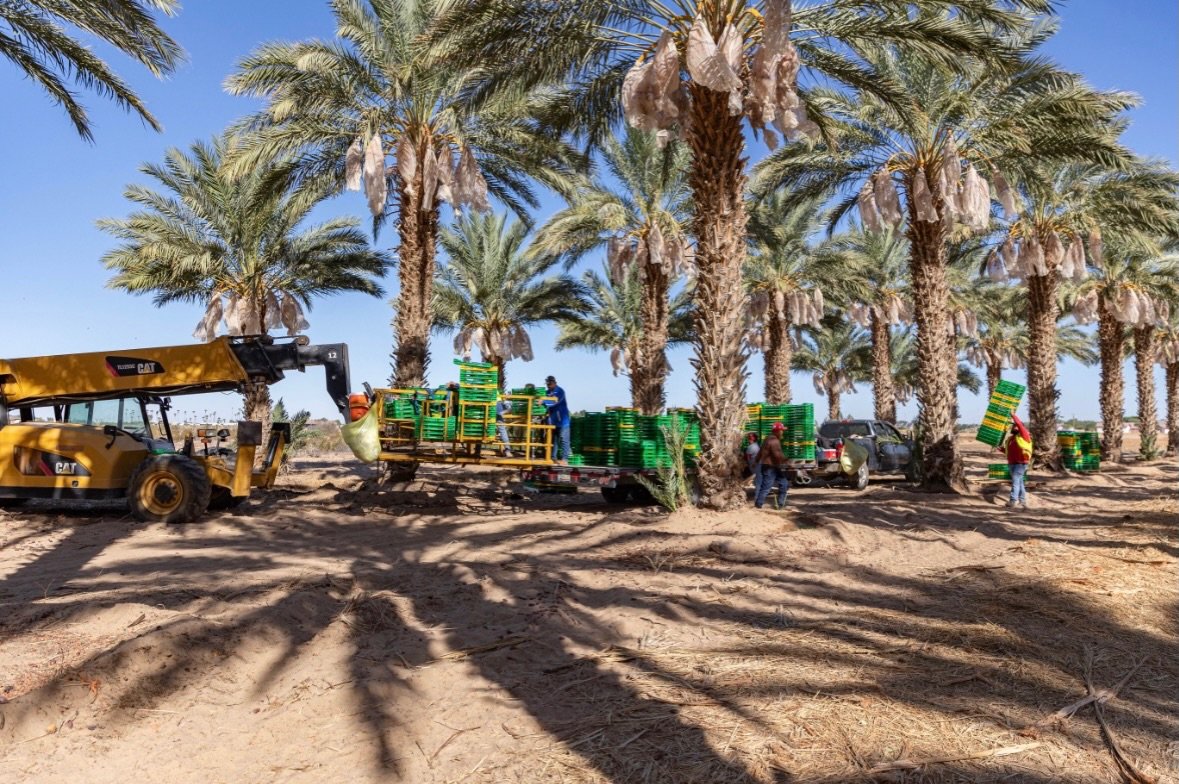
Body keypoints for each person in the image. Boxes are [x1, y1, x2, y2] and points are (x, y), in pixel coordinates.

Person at [754, 422, 790, 509]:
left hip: (772, 466)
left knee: (784, 483)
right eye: (782, 431)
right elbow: (778, 455)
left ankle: (780, 504)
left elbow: (760, 452)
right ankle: (758, 504)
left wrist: (756, 460)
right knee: (767, 487)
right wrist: (787, 461)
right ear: (777, 431)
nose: (782, 432)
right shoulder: (774, 441)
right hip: (770, 467)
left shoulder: (768, 439)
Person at [1003, 412, 1032, 508]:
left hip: (1021, 463)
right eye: (1013, 426)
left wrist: (1012, 415)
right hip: (1012, 463)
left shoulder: (1024, 435)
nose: (1014, 427)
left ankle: (1012, 501)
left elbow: (1019, 424)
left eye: (1016, 426)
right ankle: (1023, 501)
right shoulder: (1011, 439)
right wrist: (1001, 449)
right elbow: (1009, 451)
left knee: (1015, 482)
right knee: (1019, 483)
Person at [543, 375, 571, 464]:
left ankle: (565, 459)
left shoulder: (560, 391)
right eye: (547, 384)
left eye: (550, 384)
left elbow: (555, 402)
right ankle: (553, 458)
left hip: (563, 421)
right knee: (553, 440)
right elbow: (544, 403)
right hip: (553, 421)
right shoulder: (547, 392)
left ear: (554, 383)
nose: (548, 386)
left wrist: (543, 401)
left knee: (563, 439)